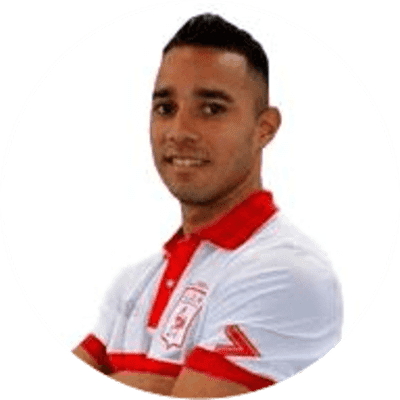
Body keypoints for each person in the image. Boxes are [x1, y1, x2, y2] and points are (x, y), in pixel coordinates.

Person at [72, 13, 342, 398]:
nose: (179, 131)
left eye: (212, 109)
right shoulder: (134, 282)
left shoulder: (288, 272)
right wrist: (170, 384)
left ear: (264, 128)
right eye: (166, 108)